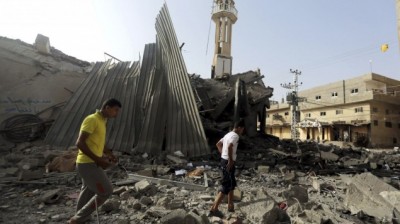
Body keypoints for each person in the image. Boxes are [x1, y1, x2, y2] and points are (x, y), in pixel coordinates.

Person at [68, 98, 121, 224]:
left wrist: (109, 153)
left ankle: (81, 217)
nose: (116, 114)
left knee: (88, 190)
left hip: (89, 162)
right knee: (106, 191)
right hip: (87, 163)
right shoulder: (92, 119)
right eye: (115, 110)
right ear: (107, 107)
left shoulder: (103, 121)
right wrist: (99, 160)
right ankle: (77, 219)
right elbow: (79, 143)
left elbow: (98, 142)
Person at [209, 119, 245, 216]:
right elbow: (229, 147)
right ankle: (214, 209)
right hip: (228, 162)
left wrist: (223, 155)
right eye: (242, 130)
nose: (242, 132)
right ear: (239, 128)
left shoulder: (228, 134)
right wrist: (229, 160)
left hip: (224, 160)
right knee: (226, 186)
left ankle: (230, 205)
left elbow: (218, 144)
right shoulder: (235, 136)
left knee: (231, 184)